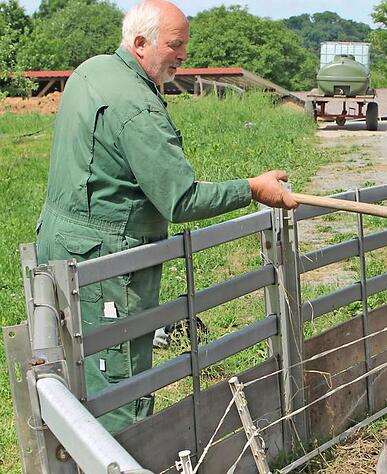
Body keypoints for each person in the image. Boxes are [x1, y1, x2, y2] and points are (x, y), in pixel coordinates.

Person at [35, 0, 298, 433]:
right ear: (141, 43)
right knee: (120, 382)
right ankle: (120, 458)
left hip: (63, 244)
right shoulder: (137, 108)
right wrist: (252, 189)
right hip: (107, 265)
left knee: (73, 367)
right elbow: (180, 200)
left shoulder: (94, 70)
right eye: (176, 45)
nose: (183, 56)